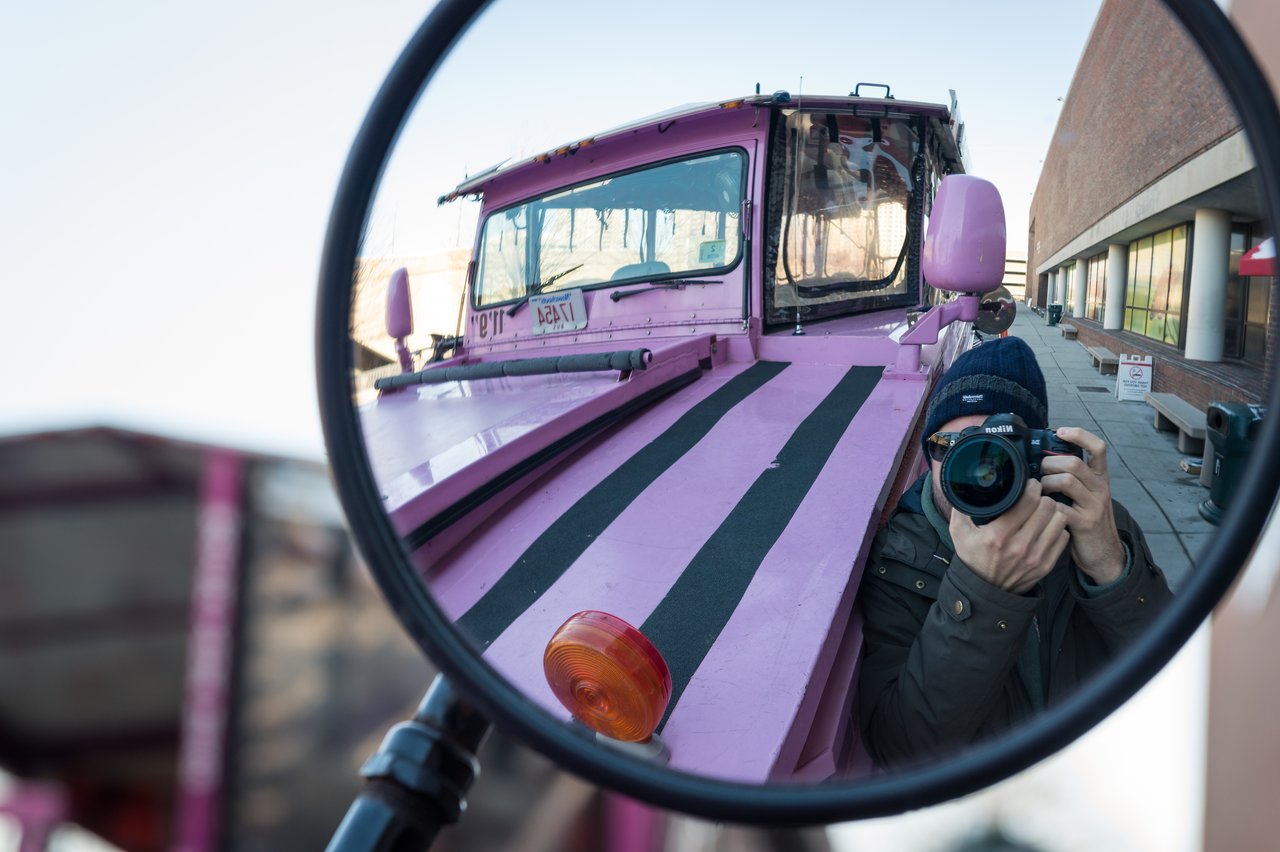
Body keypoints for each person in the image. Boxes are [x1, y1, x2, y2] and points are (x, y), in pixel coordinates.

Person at [856, 335, 1173, 769]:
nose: (972, 470)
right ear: (928, 452)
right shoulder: (899, 558)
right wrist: (981, 591)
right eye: (950, 448)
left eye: (994, 449)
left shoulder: (1091, 522)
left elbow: (1175, 677)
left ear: (1037, 453)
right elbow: (903, 748)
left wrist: (1111, 566)